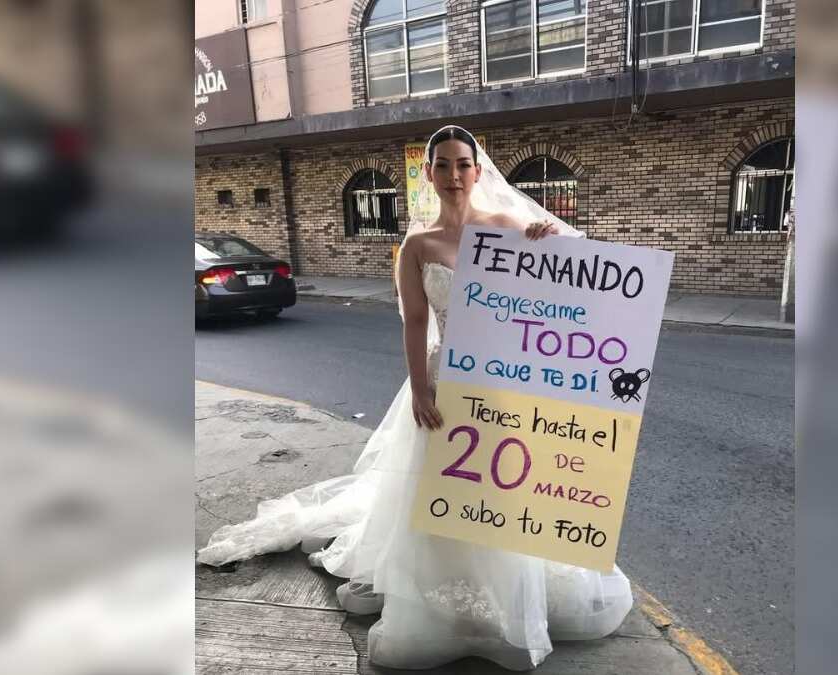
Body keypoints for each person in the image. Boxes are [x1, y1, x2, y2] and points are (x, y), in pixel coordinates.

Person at [197, 125, 633, 670]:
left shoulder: (508, 229)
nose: (454, 175)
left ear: (478, 171)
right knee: (442, 491)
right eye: (443, 165)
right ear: (428, 173)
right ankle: (439, 595)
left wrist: (549, 236)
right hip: (446, 381)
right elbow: (414, 324)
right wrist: (421, 390)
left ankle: (509, 596)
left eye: (463, 164)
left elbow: (565, 291)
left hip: (505, 385)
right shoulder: (418, 246)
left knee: (505, 491)